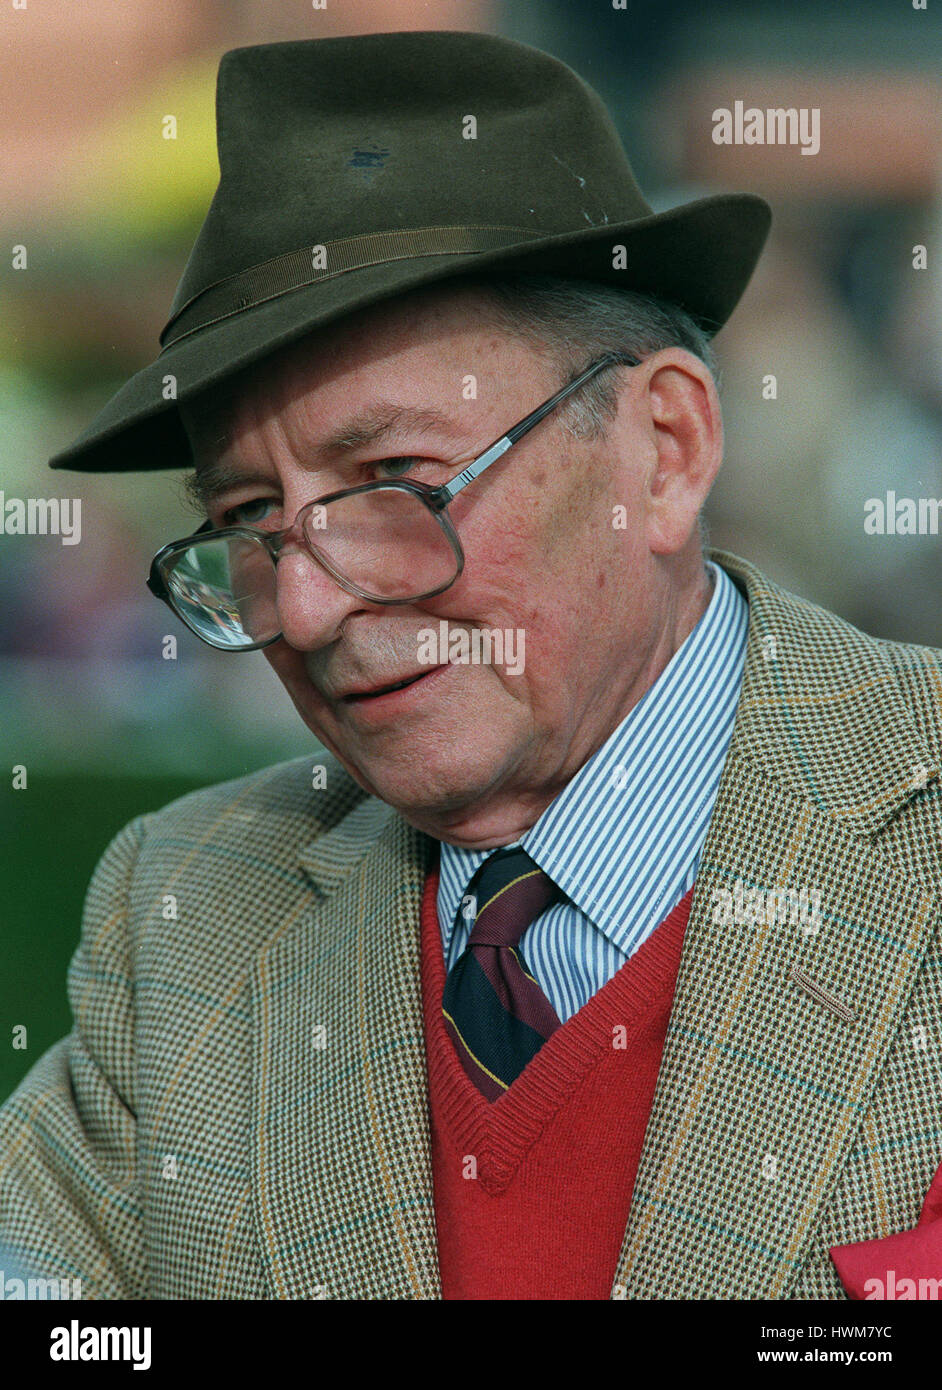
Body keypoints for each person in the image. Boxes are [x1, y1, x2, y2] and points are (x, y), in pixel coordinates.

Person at [2, 29, 941, 1302]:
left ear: (663, 448)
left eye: (395, 483)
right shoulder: (187, 915)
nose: (314, 604)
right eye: (245, 523)